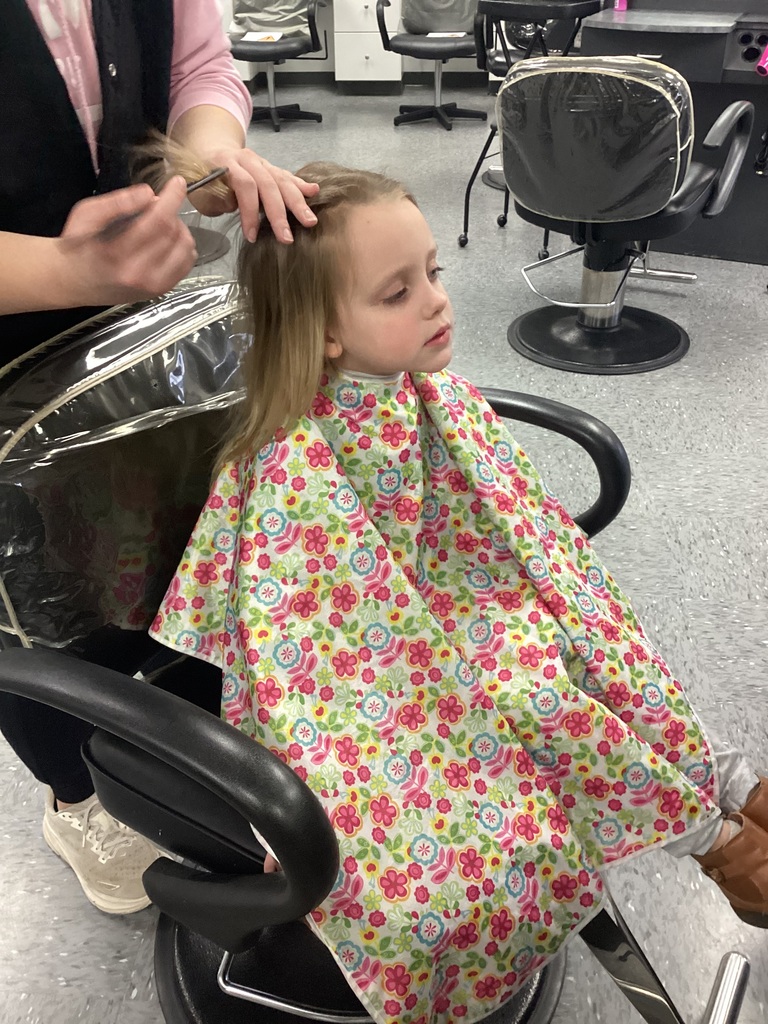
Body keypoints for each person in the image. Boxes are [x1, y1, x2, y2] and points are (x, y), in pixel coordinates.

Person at [150, 160, 768, 1024]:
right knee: (544, 695)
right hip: (383, 672)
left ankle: (729, 784)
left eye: (434, 273)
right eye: (398, 292)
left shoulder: (420, 391)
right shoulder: (295, 461)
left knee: (599, 638)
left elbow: (494, 524)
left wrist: (534, 591)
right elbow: (323, 645)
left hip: (465, 602)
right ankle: (720, 844)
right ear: (327, 332)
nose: (438, 300)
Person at [0, 0, 319, 916]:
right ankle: (76, 795)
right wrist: (62, 275)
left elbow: (198, 68)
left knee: (157, 553)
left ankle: (189, 740)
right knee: (34, 602)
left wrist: (207, 154)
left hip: (127, 327)